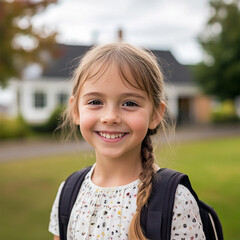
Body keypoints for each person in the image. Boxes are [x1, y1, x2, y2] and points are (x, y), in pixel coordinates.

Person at [49, 42, 205, 240]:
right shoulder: (68, 192)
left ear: (156, 114)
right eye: (95, 102)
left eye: (129, 103)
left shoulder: (176, 201)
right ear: (76, 111)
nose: (110, 117)